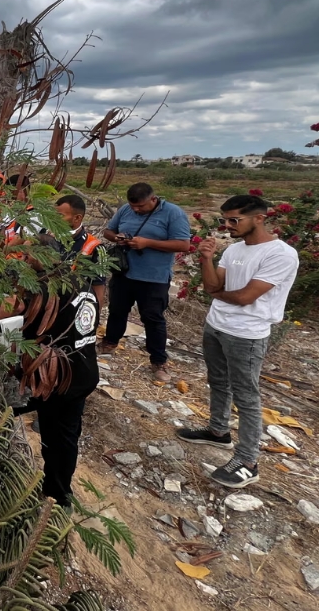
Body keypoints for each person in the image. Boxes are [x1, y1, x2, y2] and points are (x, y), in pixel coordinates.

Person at [177, 195, 299, 488]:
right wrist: (207, 259)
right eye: (224, 220)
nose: (227, 225)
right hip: (216, 325)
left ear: (259, 218)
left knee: (246, 394)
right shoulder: (234, 250)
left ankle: (247, 461)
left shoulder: (280, 254)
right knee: (218, 381)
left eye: (234, 220)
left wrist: (218, 295)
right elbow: (212, 286)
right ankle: (218, 431)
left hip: (247, 333)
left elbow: (245, 297)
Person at [0, 236, 100, 507]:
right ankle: (58, 498)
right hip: (82, 374)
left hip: (50, 378)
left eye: (28, 254)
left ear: (42, 257)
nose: (23, 258)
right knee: (63, 438)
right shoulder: (82, 283)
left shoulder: (41, 287)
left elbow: (0, 310)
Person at [101, 183, 191, 382]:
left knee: (153, 318)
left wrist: (147, 243)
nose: (136, 210)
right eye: (133, 207)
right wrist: (118, 238)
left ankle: (158, 361)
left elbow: (184, 244)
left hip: (154, 278)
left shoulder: (173, 213)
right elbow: (108, 231)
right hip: (124, 273)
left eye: (140, 207)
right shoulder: (125, 209)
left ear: (153, 199)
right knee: (116, 310)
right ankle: (109, 342)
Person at [55, 194, 107, 307]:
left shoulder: (96, 248)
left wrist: (94, 319)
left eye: (60, 216)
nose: (54, 220)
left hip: (73, 306)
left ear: (77, 218)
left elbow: (98, 288)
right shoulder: (47, 238)